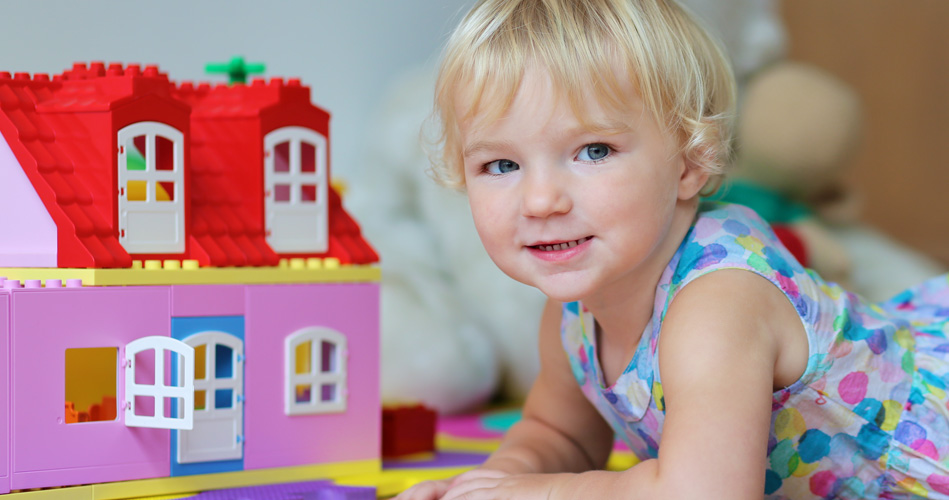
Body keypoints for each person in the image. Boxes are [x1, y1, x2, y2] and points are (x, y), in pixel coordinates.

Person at [396, 0, 949, 498]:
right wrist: (493, 482)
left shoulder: (718, 304)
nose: (540, 200)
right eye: (501, 165)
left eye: (593, 150)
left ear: (689, 163)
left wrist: (544, 495)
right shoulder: (572, 311)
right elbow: (556, 433)